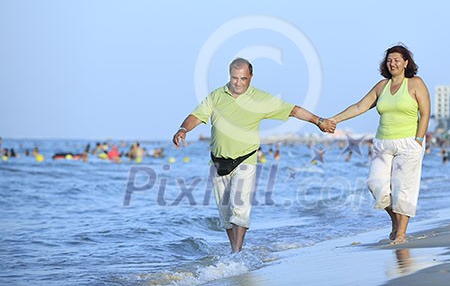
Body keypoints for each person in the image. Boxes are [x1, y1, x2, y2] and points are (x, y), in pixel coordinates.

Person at [172, 57, 335, 253]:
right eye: (234, 78)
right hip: (218, 162)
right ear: (229, 76)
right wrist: (183, 129)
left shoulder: (261, 99)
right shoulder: (216, 96)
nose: (238, 83)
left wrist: (318, 121)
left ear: (251, 77)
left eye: (243, 78)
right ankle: (234, 251)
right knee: (226, 215)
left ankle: (236, 253)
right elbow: (196, 116)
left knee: (239, 209)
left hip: (245, 160)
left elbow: (292, 110)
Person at [329, 44, 430, 245]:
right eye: (389, 60)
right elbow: (360, 106)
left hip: (409, 142)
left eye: (397, 60)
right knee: (376, 185)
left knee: (403, 189)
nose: (392, 63)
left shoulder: (415, 84)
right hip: (383, 143)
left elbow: (425, 113)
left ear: (406, 63)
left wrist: (418, 140)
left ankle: (401, 234)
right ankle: (395, 222)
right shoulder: (381, 86)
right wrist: (334, 120)